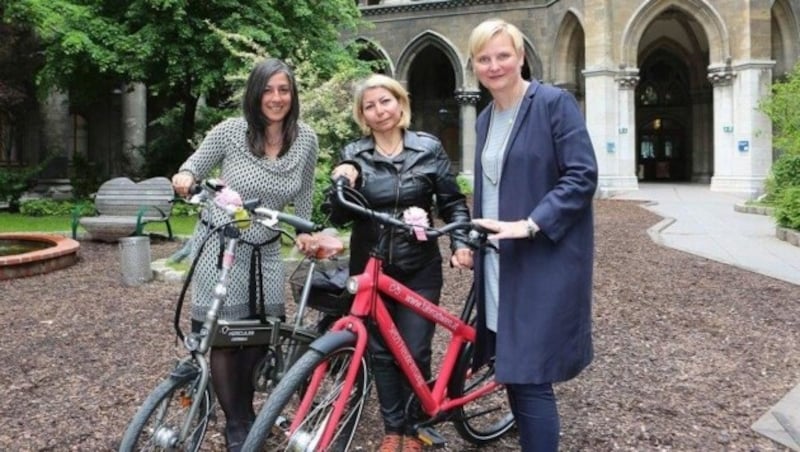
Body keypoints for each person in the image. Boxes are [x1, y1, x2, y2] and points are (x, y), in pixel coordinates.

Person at [463, 18, 598, 452]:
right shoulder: (485, 119)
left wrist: (530, 224)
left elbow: (581, 175)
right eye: (484, 58)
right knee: (511, 367)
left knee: (531, 375)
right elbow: (492, 187)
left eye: (503, 55)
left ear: (521, 57)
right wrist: (473, 239)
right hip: (500, 262)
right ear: (474, 65)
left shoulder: (553, 103)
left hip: (542, 260)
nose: (494, 65)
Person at [171, 58, 319, 452]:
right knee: (223, 336)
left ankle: (247, 411)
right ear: (254, 93)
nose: (276, 98)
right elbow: (191, 168)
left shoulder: (306, 139)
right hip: (223, 244)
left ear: (293, 95)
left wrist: (303, 234)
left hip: (266, 248)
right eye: (268, 90)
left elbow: (303, 195)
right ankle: (237, 425)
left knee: (258, 334)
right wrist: (185, 179)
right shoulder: (231, 132)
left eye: (283, 90)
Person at [326, 73, 473, 452]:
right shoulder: (354, 154)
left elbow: (452, 203)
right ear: (362, 114)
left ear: (400, 103)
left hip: (418, 266)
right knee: (379, 351)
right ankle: (394, 428)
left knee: (414, 347)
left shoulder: (428, 148)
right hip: (370, 266)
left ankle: (413, 428)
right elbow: (338, 217)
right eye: (369, 106)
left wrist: (459, 242)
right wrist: (342, 184)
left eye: (385, 101)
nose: (379, 111)